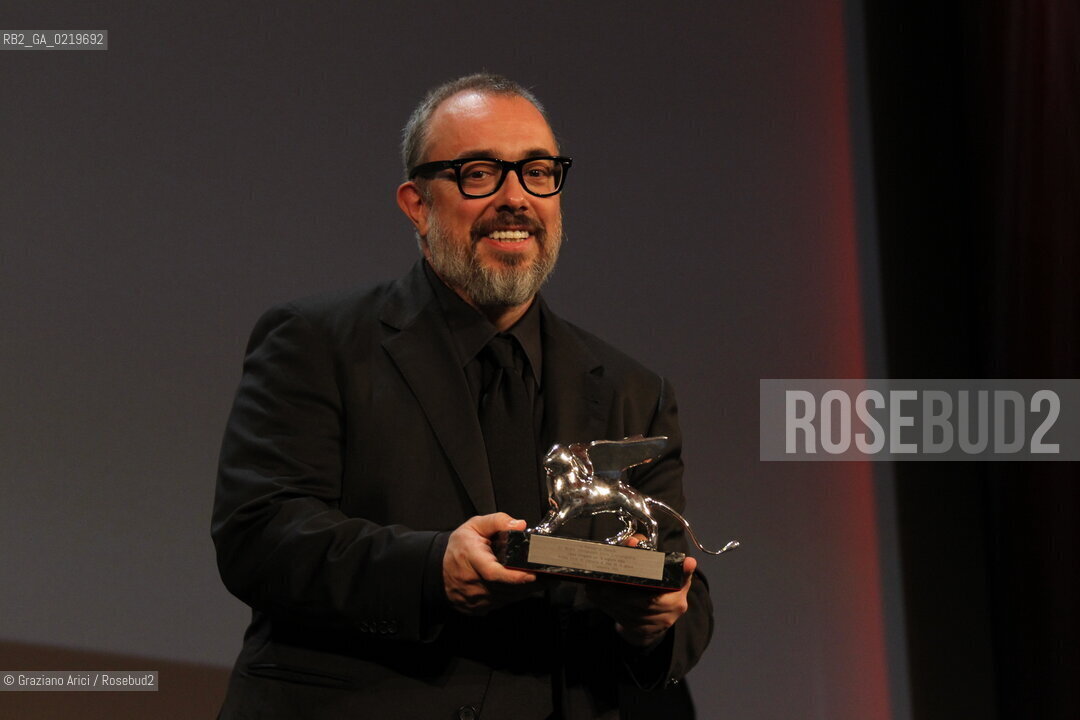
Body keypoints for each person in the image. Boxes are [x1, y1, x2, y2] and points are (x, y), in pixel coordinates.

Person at [212, 73, 713, 720]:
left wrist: (654, 616)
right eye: (479, 173)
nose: (516, 199)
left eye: (538, 172)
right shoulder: (316, 342)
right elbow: (260, 536)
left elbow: (686, 609)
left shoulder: (633, 391)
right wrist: (431, 570)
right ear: (417, 204)